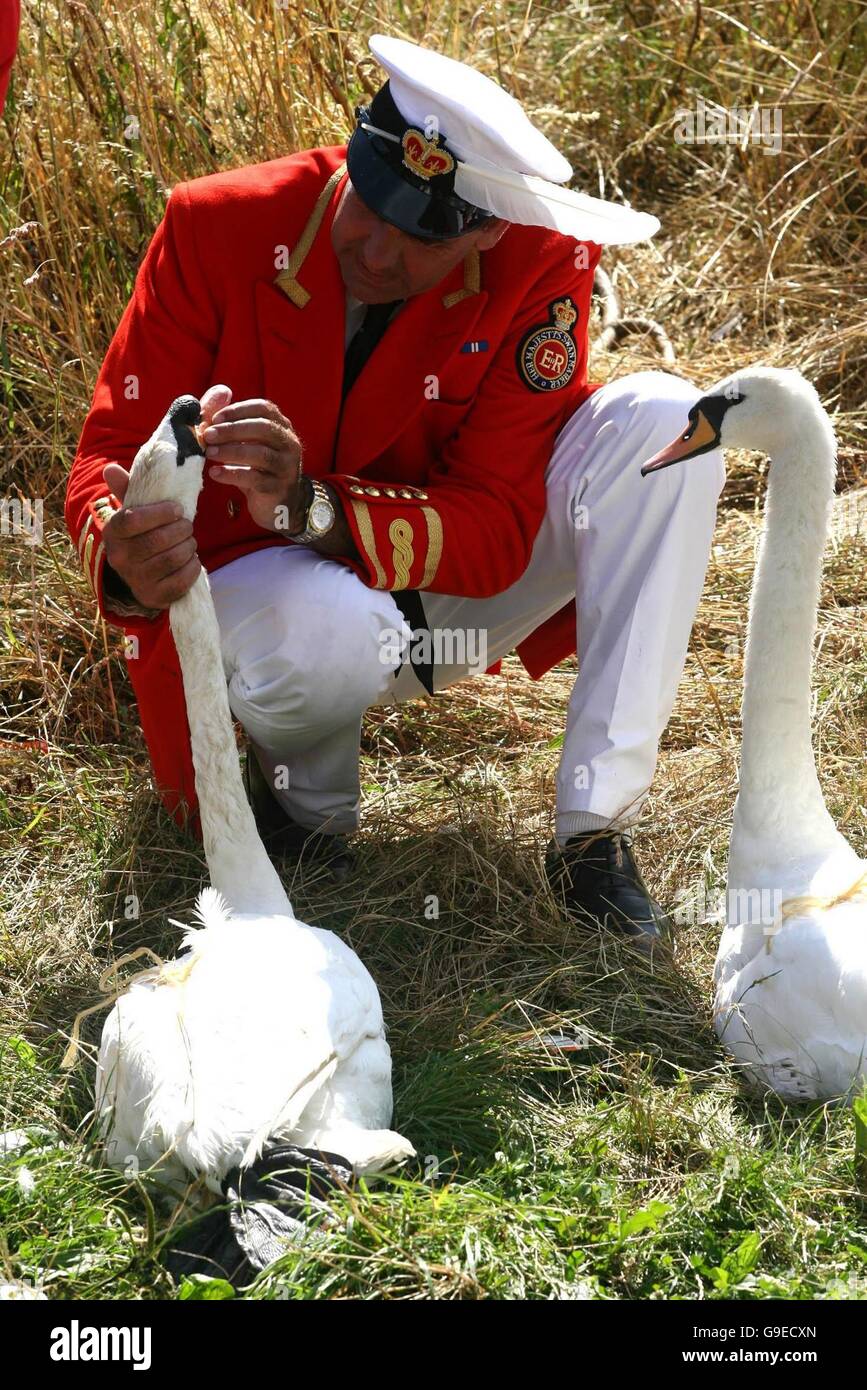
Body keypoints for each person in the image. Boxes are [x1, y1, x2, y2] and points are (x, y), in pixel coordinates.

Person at [66, 35, 724, 946]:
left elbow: (498, 523)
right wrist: (127, 552)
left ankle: (592, 834)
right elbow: (103, 450)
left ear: (489, 227)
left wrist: (312, 505)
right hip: (270, 599)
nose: (375, 249)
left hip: (442, 584)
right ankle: (310, 820)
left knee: (666, 424)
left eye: (421, 236)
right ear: (354, 150)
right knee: (324, 624)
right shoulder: (215, 223)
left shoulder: (539, 262)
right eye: (367, 202)